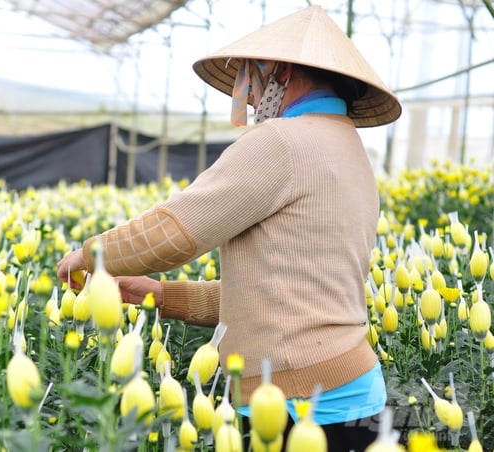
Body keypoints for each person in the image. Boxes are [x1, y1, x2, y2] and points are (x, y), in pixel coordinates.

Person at [57, 5, 401, 451]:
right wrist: (161, 297)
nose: (250, 95)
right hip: (352, 393)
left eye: (251, 78)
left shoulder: (280, 142)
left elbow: (177, 229)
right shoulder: (351, 150)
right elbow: (284, 292)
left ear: (280, 72)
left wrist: (90, 254)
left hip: (298, 404)